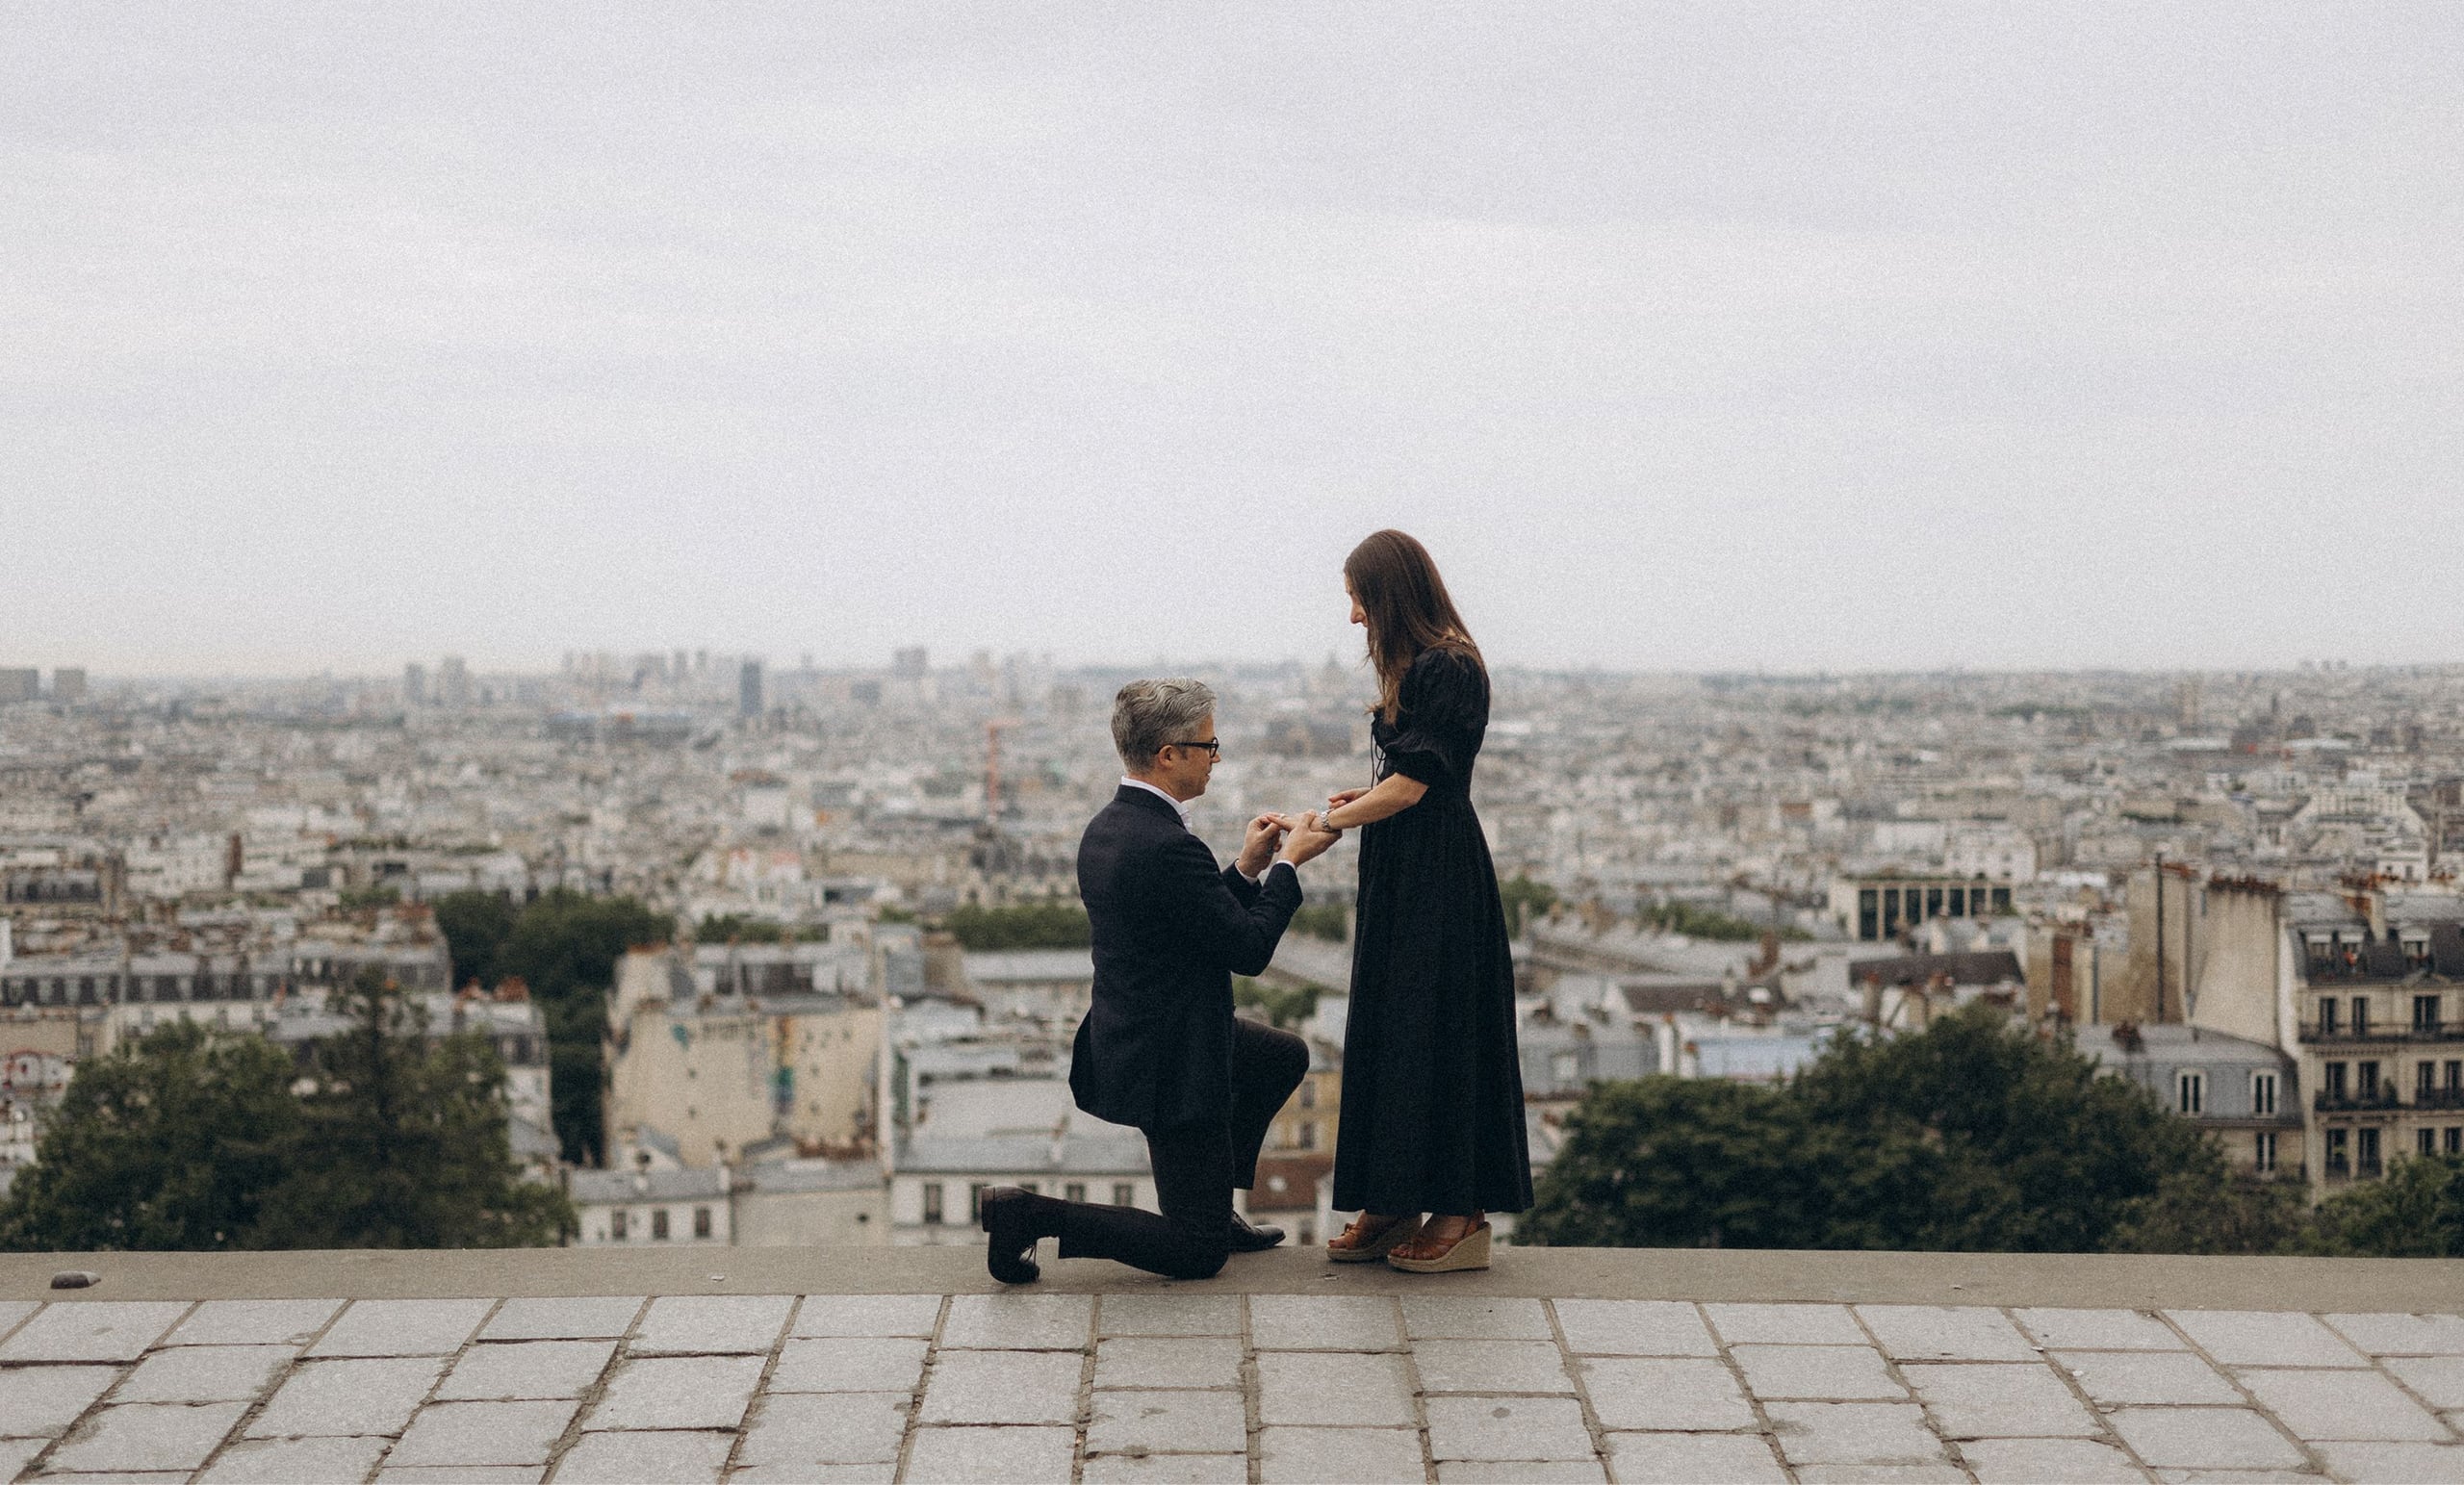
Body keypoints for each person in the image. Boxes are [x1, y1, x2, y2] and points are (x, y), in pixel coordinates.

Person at [980, 678, 1341, 1282]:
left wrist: (1247, 868)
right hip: (1173, 1061)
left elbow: (1191, 924)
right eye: (1208, 745)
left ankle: (1212, 1202)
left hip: (1139, 1033)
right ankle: (1027, 1214)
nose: (1216, 757)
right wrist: (1287, 865)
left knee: (1281, 1057)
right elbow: (1248, 950)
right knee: (1195, 1253)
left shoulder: (1112, 827)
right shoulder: (1168, 845)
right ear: (1169, 754)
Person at [1319, 529, 1532, 1272]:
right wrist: (1362, 800)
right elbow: (1405, 780)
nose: (1353, 617)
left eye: (1357, 598)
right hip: (1404, 863)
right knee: (1393, 1021)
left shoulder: (1448, 668)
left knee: (1435, 1023)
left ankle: (1460, 1208)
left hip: (1437, 870)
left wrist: (1325, 822)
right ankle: (1391, 1194)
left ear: (1388, 594)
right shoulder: (1425, 666)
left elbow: (1415, 786)